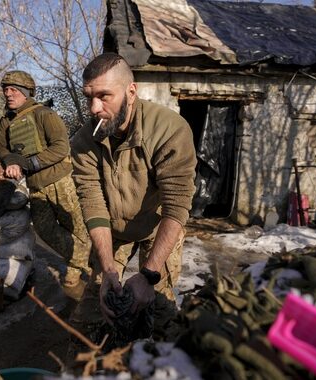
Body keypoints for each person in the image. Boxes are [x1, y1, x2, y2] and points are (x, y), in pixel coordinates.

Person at [71, 53, 197, 337]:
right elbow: (93, 203)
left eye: (104, 96)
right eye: (89, 96)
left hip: (158, 228)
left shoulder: (169, 130)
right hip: (113, 231)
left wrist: (149, 275)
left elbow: (176, 207)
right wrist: (107, 271)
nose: (94, 108)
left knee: (160, 310)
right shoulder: (83, 141)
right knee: (93, 310)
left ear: (131, 91)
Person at [0, 71, 91, 289]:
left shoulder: (44, 114)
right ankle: (86, 262)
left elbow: (61, 147)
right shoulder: (5, 121)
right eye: (5, 90)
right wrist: (11, 160)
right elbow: (3, 147)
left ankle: (80, 268)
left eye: (13, 90)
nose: (8, 94)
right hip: (35, 185)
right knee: (44, 228)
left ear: (25, 92)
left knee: (77, 228)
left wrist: (28, 164)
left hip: (60, 180)